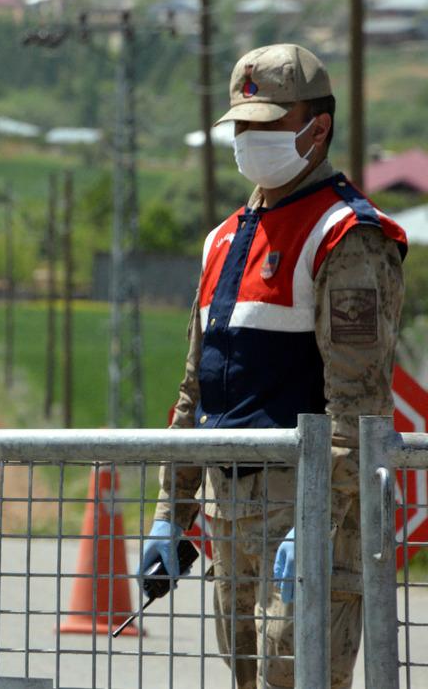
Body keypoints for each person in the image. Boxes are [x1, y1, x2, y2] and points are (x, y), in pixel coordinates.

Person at [140, 43, 406, 689]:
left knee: (296, 678)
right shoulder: (224, 238)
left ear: (318, 128)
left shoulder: (346, 235)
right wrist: (172, 512)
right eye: (242, 125)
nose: (250, 140)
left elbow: (358, 402)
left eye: (268, 124)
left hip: (305, 506)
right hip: (228, 512)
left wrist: (321, 519)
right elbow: (195, 391)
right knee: (246, 678)